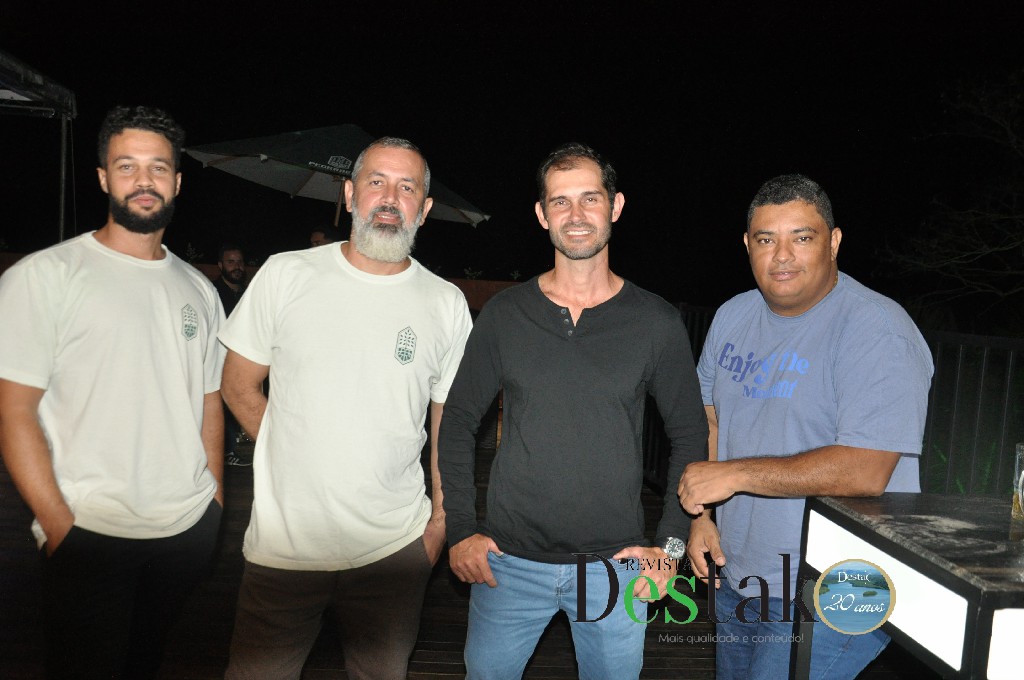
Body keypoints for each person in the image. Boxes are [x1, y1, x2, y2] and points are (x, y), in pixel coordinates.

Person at [438, 143, 708, 679]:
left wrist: (670, 547)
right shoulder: (506, 314)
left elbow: (690, 435)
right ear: (542, 214)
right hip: (507, 564)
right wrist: (461, 529)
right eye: (560, 201)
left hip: (615, 567)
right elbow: (459, 422)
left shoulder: (655, 322)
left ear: (616, 206)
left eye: (590, 198)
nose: (576, 214)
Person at [220, 137, 473, 679]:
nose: (390, 198)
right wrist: (292, 450)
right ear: (350, 194)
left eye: (407, 187)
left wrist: (439, 526)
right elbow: (238, 385)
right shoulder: (286, 274)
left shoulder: (446, 303)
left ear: (425, 208)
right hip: (285, 549)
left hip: (395, 550)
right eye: (376, 182)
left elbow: (449, 424)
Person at [678, 174, 933, 679]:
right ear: (747, 246)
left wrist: (735, 474)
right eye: (765, 239)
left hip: (838, 585)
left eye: (802, 237)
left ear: (833, 242)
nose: (782, 256)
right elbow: (710, 418)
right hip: (739, 574)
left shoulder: (878, 330)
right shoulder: (732, 316)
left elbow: (865, 470)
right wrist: (701, 517)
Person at [0, 105, 224, 679]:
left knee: (145, 664)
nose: (144, 180)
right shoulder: (45, 275)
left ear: (177, 181)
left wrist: (214, 505)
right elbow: (14, 411)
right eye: (127, 166)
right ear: (103, 177)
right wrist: (58, 525)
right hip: (89, 531)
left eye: (158, 168)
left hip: (184, 530)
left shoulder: (198, 288)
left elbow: (208, 401)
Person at [214, 243, 251, 466]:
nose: (237, 266)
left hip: (244, 359)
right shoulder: (214, 293)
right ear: (220, 265)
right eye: (231, 262)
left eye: (239, 262)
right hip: (220, 358)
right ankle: (226, 451)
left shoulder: (246, 292)